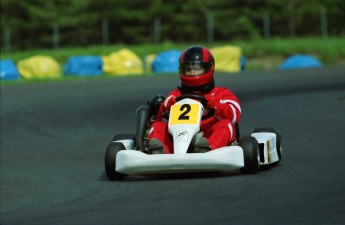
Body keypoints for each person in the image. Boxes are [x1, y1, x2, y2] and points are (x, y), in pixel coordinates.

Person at [148, 45, 241, 154]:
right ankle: (162, 152)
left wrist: (215, 106)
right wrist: (165, 107)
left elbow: (235, 115)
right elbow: (161, 120)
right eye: (188, 69)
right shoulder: (176, 94)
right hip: (178, 138)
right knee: (157, 126)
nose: (192, 73)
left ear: (209, 68)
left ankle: (206, 148)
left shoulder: (221, 94)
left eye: (196, 68)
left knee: (226, 125)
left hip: (210, 135)